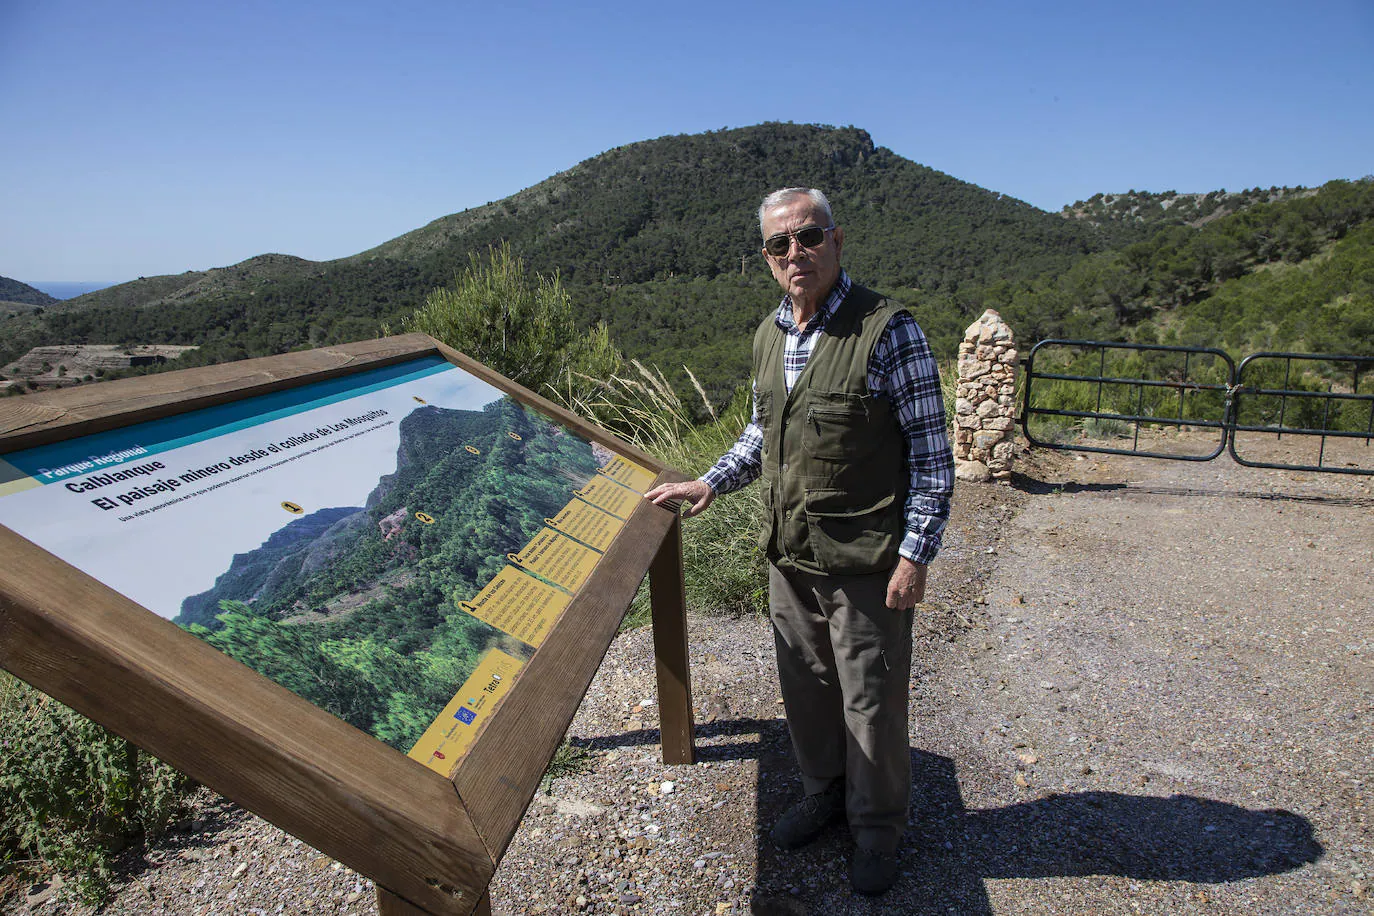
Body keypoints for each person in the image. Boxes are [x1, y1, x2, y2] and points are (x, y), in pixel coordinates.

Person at [645, 187, 954, 896]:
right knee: (807, 690)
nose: (795, 254)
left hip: (867, 562)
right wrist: (710, 482)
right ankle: (825, 795)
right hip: (790, 557)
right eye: (779, 244)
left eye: (808, 237)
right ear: (765, 256)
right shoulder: (770, 334)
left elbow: (933, 458)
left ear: (837, 241)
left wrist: (915, 555)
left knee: (871, 701)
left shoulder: (888, 331)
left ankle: (877, 829)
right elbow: (762, 433)